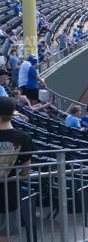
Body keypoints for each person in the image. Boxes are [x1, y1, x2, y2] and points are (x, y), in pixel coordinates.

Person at [0, 97, 35, 242]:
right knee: (4, 232)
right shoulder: (23, 137)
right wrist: (21, 174)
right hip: (8, 192)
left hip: (8, 192)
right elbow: (26, 168)